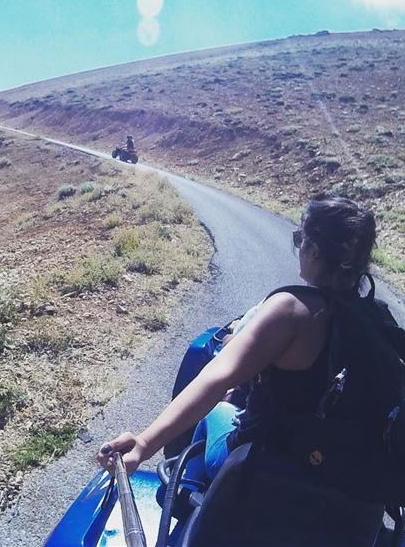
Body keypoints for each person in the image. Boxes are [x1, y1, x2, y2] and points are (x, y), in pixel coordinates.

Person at [97, 197, 377, 487]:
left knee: (217, 411)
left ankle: (186, 504)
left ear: (315, 252)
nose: (298, 248)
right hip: (338, 470)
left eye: (300, 239)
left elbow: (216, 378)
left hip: (272, 469)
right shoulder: (374, 317)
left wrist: (143, 444)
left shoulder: (292, 310)